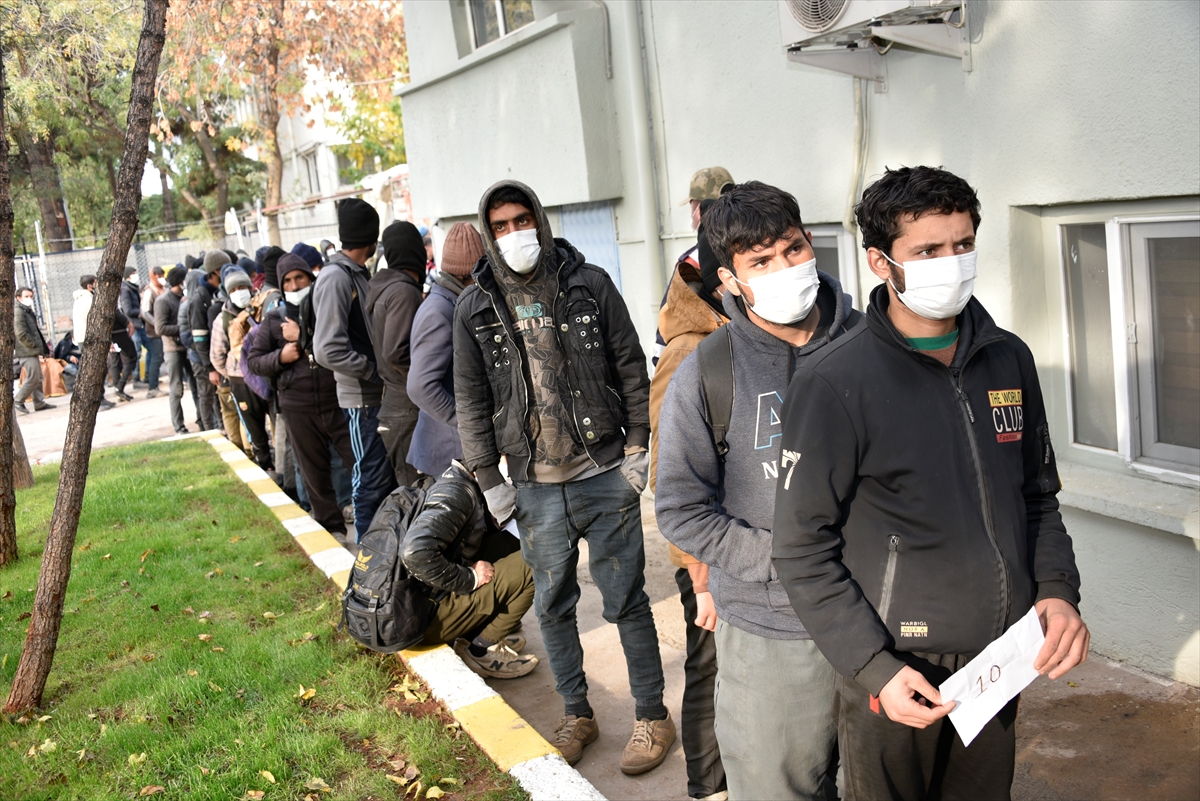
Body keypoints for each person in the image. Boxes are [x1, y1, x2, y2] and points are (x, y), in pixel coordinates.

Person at [772, 166, 1088, 801]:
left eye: (964, 244)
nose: (953, 263)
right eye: (928, 251)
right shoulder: (835, 380)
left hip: (1000, 659)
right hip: (897, 670)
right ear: (880, 262)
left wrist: (1055, 590)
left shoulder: (1007, 356)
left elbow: (1036, 496)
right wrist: (873, 667)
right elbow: (801, 549)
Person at [453, 180, 671, 774]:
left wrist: (636, 447)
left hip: (603, 471)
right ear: (488, 232)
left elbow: (630, 364)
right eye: (499, 226)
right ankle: (578, 713)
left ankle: (652, 716)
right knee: (551, 605)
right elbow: (470, 400)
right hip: (533, 485)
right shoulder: (474, 306)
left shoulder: (589, 283)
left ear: (540, 221)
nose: (513, 233)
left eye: (521, 220)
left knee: (626, 601)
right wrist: (488, 478)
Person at [655, 181, 861, 800]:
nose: (785, 268)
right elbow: (681, 509)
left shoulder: (871, 346)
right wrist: (780, 560)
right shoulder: (707, 371)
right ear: (730, 280)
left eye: (793, 249)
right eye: (761, 261)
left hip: (881, 619)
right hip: (773, 634)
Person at [647, 218, 728, 801]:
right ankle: (708, 787)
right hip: (706, 554)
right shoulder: (687, 353)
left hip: (745, 546)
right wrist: (698, 572)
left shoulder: (741, 335)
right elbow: (669, 473)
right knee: (708, 666)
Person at [395, 462, 540, 678]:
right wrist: (470, 578)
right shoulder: (457, 495)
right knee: (538, 560)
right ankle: (480, 649)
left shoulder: (452, 479)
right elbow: (414, 554)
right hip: (420, 621)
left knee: (514, 541)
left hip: (416, 599)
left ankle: (474, 631)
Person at [248, 254, 356, 538]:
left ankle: (375, 516)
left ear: (311, 279)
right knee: (313, 471)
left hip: (337, 401)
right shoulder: (273, 320)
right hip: (297, 408)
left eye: (300, 278)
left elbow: (340, 344)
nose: (295, 286)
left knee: (358, 461)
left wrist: (304, 334)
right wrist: (280, 357)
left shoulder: (325, 310)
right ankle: (333, 528)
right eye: (288, 281)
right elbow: (254, 361)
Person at [313, 198, 397, 541]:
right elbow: (326, 348)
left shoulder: (358, 274)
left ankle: (384, 560)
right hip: (361, 399)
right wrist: (371, 370)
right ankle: (367, 568)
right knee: (369, 484)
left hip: (375, 396)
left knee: (383, 483)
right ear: (371, 239)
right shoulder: (336, 278)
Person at [406, 222, 482, 479]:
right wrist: (467, 422)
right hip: (447, 453)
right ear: (468, 274)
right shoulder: (440, 311)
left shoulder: (451, 303)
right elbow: (420, 387)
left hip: (453, 449)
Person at [653, 166, 734, 365]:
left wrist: (659, 363)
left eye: (691, 206)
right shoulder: (753, 248)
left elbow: (669, 324)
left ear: (698, 209)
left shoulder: (692, 262)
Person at [367, 221, 425, 487]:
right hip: (406, 407)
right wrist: (429, 376)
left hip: (395, 404)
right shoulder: (403, 291)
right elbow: (395, 353)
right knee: (417, 498)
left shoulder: (384, 287)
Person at [211, 269, 274, 470]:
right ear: (228, 293)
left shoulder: (261, 309)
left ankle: (281, 465)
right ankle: (265, 466)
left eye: (243, 288)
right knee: (254, 430)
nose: (240, 292)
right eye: (235, 289)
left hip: (266, 376)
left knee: (276, 424)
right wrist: (236, 371)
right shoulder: (222, 320)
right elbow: (217, 356)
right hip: (240, 382)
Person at [188, 251, 225, 430]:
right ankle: (210, 431)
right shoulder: (199, 299)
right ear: (217, 271)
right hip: (202, 360)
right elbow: (199, 337)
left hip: (215, 357)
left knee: (219, 398)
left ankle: (222, 428)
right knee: (207, 396)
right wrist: (210, 367)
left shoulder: (217, 293)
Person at [155, 265, 190, 434]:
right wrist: (182, 328)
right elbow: (160, 328)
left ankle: (203, 420)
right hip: (173, 349)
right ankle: (179, 426)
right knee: (176, 389)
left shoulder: (185, 298)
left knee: (196, 386)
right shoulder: (163, 301)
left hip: (188, 347)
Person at [13, 287, 55, 414]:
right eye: (26, 296)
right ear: (18, 298)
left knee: (38, 377)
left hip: (31, 350)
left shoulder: (26, 310)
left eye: (31, 296)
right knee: (33, 377)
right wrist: (33, 346)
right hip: (26, 350)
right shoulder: (18, 311)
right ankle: (18, 400)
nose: (30, 299)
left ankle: (39, 402)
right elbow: (21, 333)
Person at [139, 266, 165, 398]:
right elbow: (144, 312)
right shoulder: (149, 291)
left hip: (163, 330)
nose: (161, 278)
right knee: (156, 357)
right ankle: (152, 388)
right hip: (154, 332)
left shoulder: (162, 289)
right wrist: (157, 323)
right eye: (158, 276)